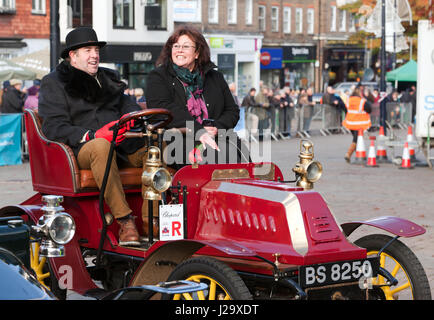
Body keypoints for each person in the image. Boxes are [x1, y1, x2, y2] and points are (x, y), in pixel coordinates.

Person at [38, 26, 147, 246]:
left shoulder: (109, 78)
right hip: (84, 149)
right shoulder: (55, 82)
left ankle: (152, 220)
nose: (95, 55)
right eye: (88, 50)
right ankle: (126, 221)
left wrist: (130, 119)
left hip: (121, 144)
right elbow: (54, 127)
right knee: (100, 146)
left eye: (96, 49)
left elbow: (130, 107)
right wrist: (92, 134)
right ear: (73, 55)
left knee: (155, 149)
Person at [145, 24, 240, 165]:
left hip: (218, 137)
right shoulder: (158, 77)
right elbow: (163, 109)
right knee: (218, 155)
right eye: (176, 46)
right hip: (179, 141)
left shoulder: (215, 77)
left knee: (236, 155)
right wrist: (198, 130)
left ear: (197, 53)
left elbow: (232, 111)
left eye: (186, 46)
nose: (179, 50)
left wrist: (216, 128)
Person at [342, 87, 372, 162]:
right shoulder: (362, 101)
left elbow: (346, 109)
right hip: (359, 124)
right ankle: (349, 154)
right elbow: (369, 109)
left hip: (350, 123)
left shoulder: (349, 100)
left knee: (357, 140)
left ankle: (358, 154)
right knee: (356, 139)